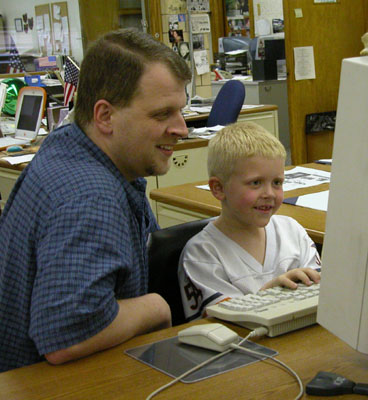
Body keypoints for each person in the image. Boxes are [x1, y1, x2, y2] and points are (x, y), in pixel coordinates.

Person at [0, 28, 191, 372]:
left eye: (180, 111)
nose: (182, 128)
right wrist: (157, 307)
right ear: (104, 116)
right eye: (162, 114)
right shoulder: (89, 196)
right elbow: (67, 335)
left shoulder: (68, 144)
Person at [178, 122, 321, 321]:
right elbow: (225, 326)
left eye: (277, 182)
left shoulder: (292, 231)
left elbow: (321, 295)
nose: (269, 194)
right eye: (255, 183)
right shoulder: (202, 254)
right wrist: (269, 293)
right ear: (218, 188)